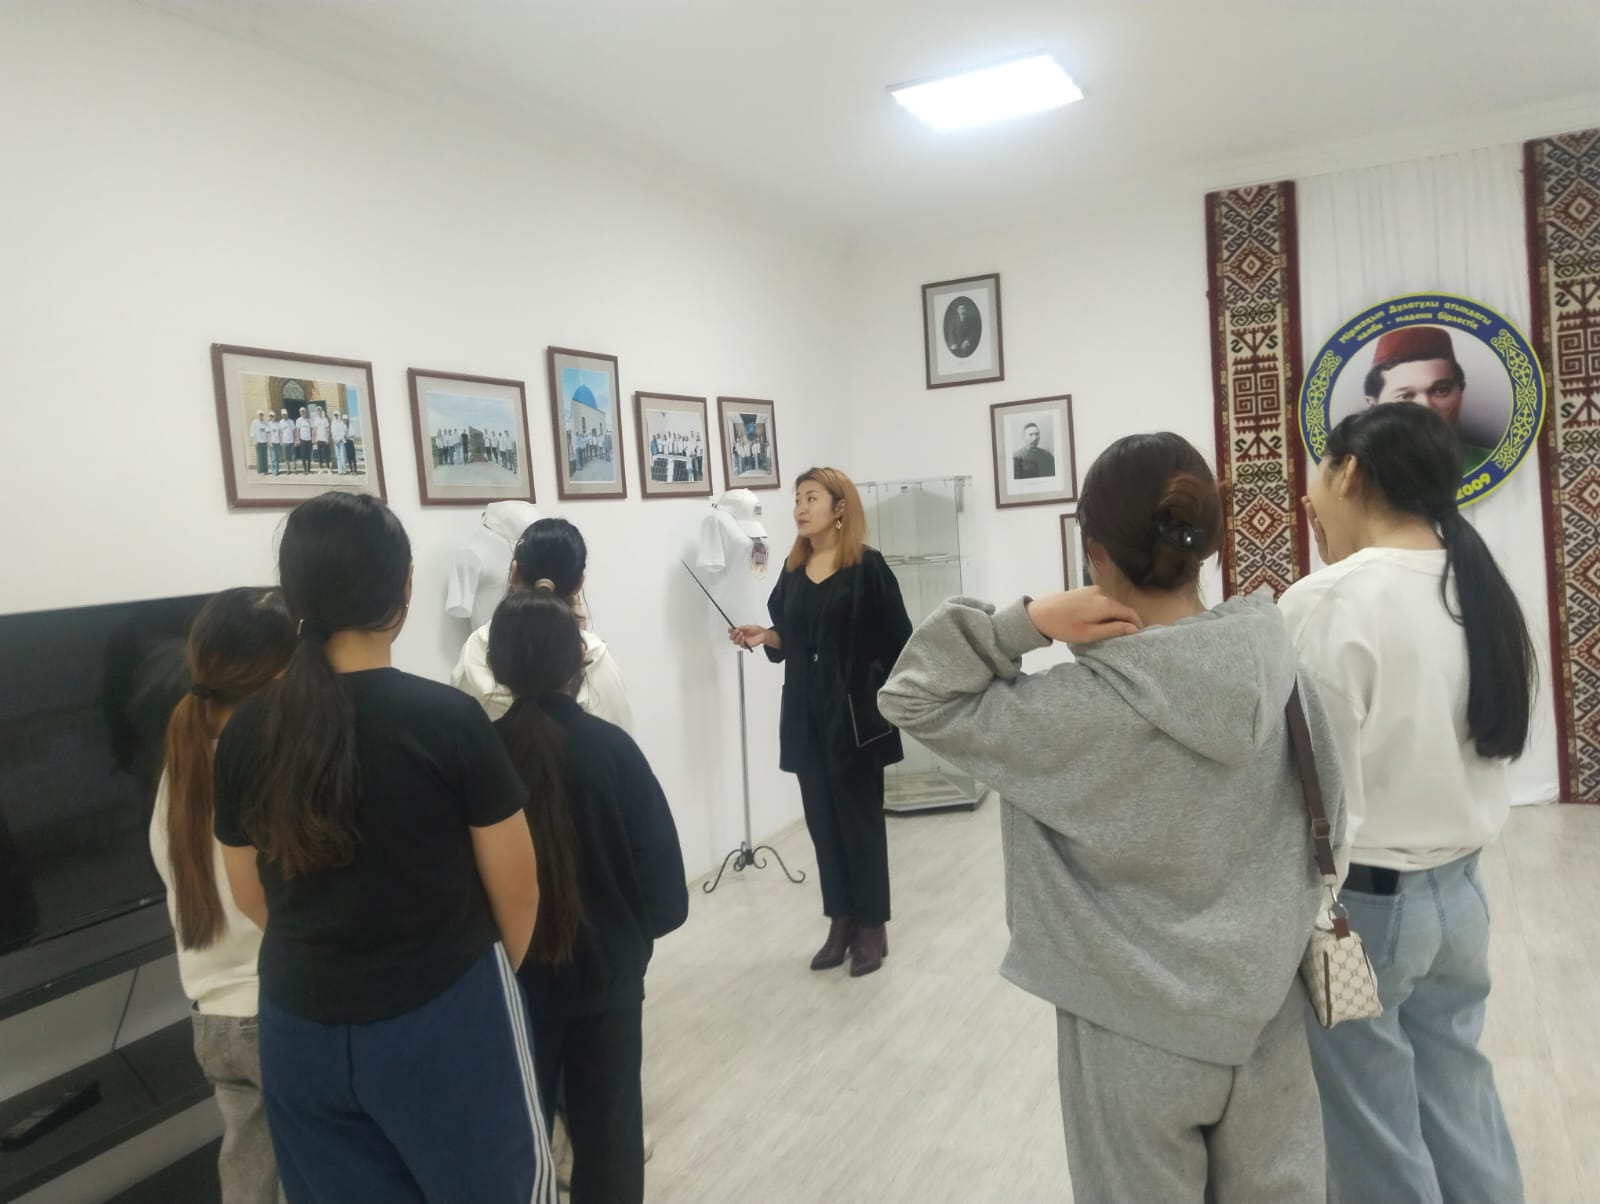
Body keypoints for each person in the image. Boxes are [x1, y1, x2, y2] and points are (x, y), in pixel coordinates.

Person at [878, 432, 1346, 1201]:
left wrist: (1027, 621)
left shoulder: (1067, 713)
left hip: (1128, 1034)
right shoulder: (1283, 675)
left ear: (1092, 549)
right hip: (1267, 1018)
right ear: (1206, 543)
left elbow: (912, 695)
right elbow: (1330, 821)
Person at [212, 492, 554, 1203]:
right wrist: (474, 987)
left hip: (298, 1025)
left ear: (293, 594)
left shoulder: (245, 731)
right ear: (404, 588)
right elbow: (519, 892)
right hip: (445, 1015)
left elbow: (248, 892)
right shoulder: (448, 721)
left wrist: (334, 950)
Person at [1283, 402, 1533, 1203]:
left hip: (1362, 913)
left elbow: (1307, 787)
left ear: (1350, 473)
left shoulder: (1329, 601)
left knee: (1373, 1136)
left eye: (1319, 475)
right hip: (1461, 897)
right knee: (1460, 1100)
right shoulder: (1475, 584)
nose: (1310, 498)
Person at [489, 587, 687, 1204]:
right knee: (611, 1144)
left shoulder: (477, 754)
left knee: (513, 1147)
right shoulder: (614, 751)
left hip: (510, 993)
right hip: (608, 984)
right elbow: (667, 897)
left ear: (495, 665)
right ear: (579, 659)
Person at [729, 467, 912, 976]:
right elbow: (792, 634)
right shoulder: (794, 570)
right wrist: (767, 636)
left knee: (860, 824)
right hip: (806, 714)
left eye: (811, 498)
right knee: (823, 825)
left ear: (839, 508)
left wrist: (874, 688)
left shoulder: (868, 568)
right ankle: (841, 922)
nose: (800, 508)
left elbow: (901, 641)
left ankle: (872, 926)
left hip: (855, 717)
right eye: (797, 499)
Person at [149, 587, 295, 1204]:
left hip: (213, 1022)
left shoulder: (179, 770)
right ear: (280, 675)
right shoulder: (271, 767)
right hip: (279, 1013)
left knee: (248, 1180)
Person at [453, 517, 632, 731]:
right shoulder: (596, 658)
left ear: (514, 573)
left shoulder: (476, 649)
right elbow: (619, 738)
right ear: (579, 584)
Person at [1363, 325, 1494, 471]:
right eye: (1405, 396)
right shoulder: (1357, 471)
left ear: (1460, 392)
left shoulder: (1495, 463)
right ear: (1373, 406)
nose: (1426, 407)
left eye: (1441, 391)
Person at [251, 412, 269, 476]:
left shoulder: (265, 422)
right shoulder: (254, 422)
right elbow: (252, 432)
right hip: (258, 442)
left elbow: (267, 432)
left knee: (265, 456)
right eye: (260, 415)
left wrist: (268, 441)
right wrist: (254, 441)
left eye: (262, 415)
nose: (261, 416)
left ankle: (265, 470)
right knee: (259, 457)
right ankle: (260, 471)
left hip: (264, 442)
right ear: (258, 415)